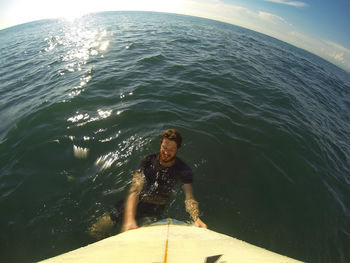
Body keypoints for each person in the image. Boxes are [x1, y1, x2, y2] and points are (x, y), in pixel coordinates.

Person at [89, 129, 206, 239]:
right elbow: (135, 188)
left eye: (171, 150)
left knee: (143, 240)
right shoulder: (147, 160)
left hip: (153, 211)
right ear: (160, 144)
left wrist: (196, 218)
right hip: (134, 203)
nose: (166, 152)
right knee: (97, 230)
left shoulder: (183, 169)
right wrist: (129, 218)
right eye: (164, 147)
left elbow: (189, 197)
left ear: (177, 149)